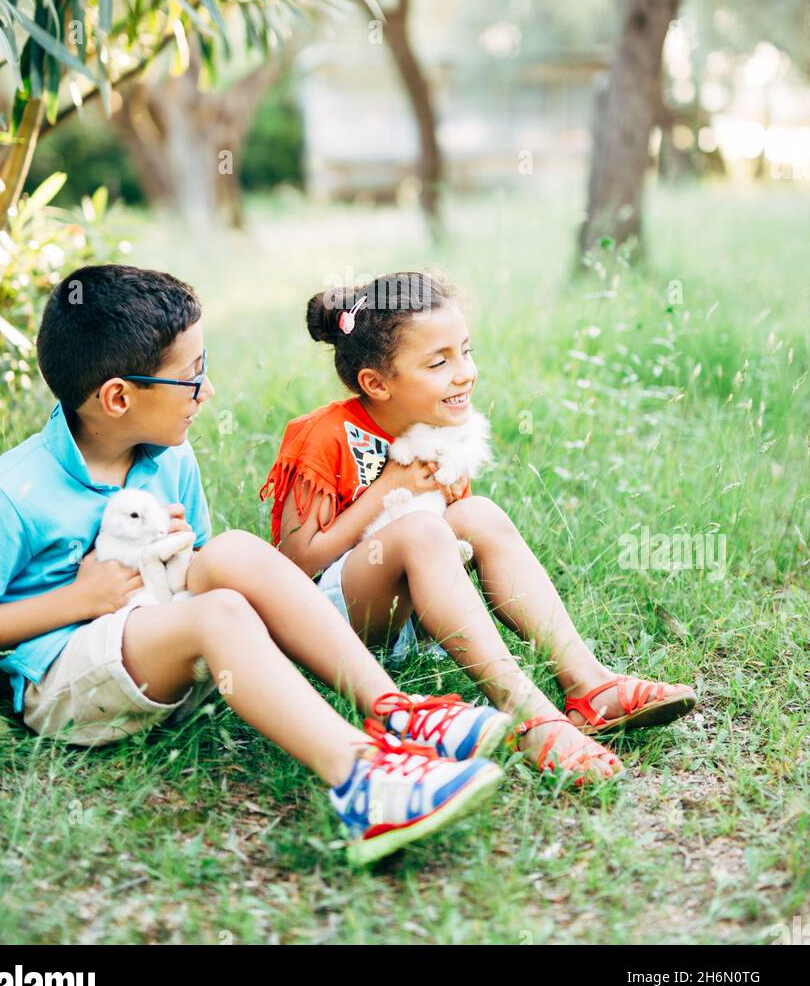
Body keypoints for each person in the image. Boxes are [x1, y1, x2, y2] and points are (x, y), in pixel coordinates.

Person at [0, 264, 507, 867]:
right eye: (192, 377)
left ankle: (396, 713)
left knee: (233, 550)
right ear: (117, 397)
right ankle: (361, 780)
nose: (206, 390)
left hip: (152, 643)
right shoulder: (16, 491)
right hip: (68, 675)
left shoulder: (169, 454)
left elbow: (210, 563)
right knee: (221, 613)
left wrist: (184, 552)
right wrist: (76, 601)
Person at [261, 271, 697, 785]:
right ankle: (527, 714)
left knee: (478, 514)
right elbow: (293, 567)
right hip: (334, 622)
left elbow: (453, 544)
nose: (465, 372)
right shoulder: (325, 436)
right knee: (424, 529)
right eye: (439, 361)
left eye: (465, 351)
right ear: (376, 384)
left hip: (414, 615)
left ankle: (588, 683)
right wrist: (387, 489)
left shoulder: (444, 431)